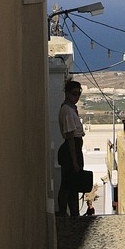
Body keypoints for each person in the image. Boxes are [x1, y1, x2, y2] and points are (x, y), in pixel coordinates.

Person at [57, 79, 85, 217]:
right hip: (70, 150)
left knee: (72, 184)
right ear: (67, 94)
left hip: (74, 148)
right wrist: (74, 161)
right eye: (74, 94)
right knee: (67, 185)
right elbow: (70, 138)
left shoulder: (71, 109)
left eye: (79, 93)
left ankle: (74, 212)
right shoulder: (67, 111)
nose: (77, 97)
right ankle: (65, 212)